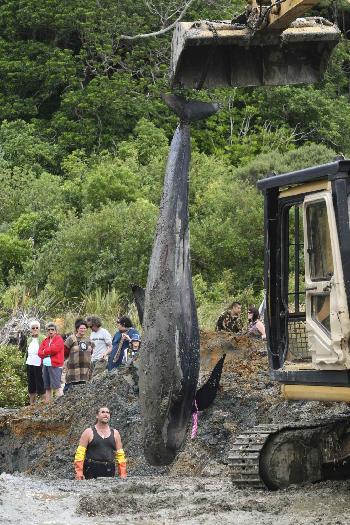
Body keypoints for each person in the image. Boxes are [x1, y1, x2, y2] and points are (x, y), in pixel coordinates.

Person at [74, 406, 127, 480]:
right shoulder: (88, 432)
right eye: (103, 412)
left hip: (109, 469)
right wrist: (79, 473)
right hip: (91, 469)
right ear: (97, 416)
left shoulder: (115, 433)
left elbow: (120, 455)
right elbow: (80, 454)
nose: (106, 414)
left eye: (107, 412)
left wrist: (123, 474)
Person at [38, 322, 65, 402]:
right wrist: (46, 352)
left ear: (56, 331)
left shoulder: (59, 339)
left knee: (57, 386)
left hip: (55, 365)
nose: (50, 331)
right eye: (48, 330)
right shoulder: (45, 340)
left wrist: (45, 351)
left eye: (52, 330)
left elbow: (55, 349)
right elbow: (39, 352)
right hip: (45, 365)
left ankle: (60, 405)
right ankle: (48, 406)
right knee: (47, 387)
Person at [64, 319, 93, 391]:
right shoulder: (71, 339)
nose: (83, 330)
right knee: (70, 389)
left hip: (85, 369)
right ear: (77, 329)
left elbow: (91, 352)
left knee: (82, 389)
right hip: (73, 369)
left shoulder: (88, 340)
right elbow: (65, 352)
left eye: (84, 328)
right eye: (81, 328)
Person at [25, 320, 45, 405]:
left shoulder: (43, 338)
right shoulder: (29, 339)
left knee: (40, 384)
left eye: (37, 327)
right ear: (31, 329)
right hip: (30, 363)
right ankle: (32, 404)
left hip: (39, 364)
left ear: (39, 328)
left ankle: (43, 404)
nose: (35, 329)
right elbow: (27, 351)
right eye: (33, 328)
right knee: (31, 384)